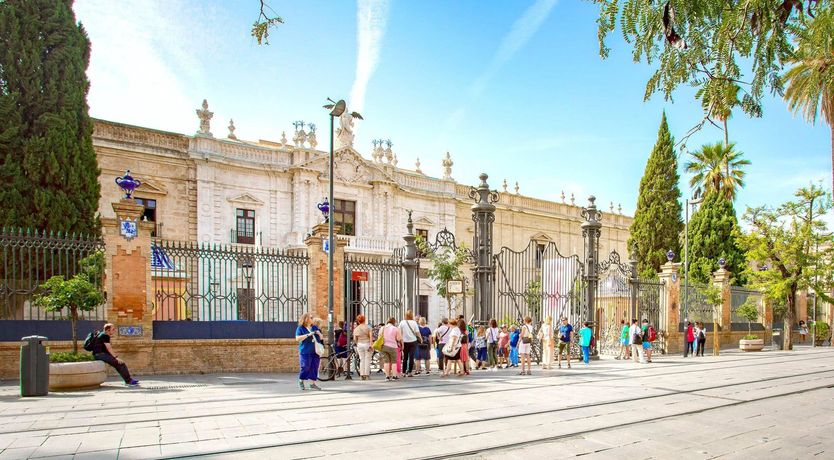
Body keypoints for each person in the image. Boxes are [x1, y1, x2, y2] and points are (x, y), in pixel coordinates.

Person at [295, 313, 323, 390]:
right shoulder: (300, 328)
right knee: (305, 367)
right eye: (311, 317)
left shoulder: (314, 327)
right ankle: (301, 381)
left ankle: (312, 384)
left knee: (315, 367)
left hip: (315, 351)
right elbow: (297, 338)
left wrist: (319, 333)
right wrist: (308, 335)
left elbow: (321, 338)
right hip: (305, 351)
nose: (312, 319)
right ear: (306, 319)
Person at [398, 311, 421, 377]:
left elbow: (399, 332)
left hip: (404, 342)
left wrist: (400, 339)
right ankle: (410, 372)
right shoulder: (414, 322)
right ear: (411, 315)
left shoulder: (402, 322)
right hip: (413, 341)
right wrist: (421, 338)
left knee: (405, 357)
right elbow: (417, 332)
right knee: (411, 357)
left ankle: (404, 372)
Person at [380, 317, 402, 381]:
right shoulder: (396, 329)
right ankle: (394, 376)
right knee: (394, 362)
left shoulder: (382, 328)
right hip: (393, 346)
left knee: (386, 362)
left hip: (384, 346)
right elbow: (398, 339)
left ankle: (387, 376)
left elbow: (379, 336)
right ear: (394, 322)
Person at [353, 314, 373, 380]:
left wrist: (357, 343)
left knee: (362, 360)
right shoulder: (368, 327)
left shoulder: (356, 329)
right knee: (367, 359)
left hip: (360, 344)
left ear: (358, 321)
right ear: (364, 320)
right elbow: (371, 337)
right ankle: (367, 375)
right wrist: (371, 345)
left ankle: (362, 375)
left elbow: (355, 339)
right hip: (367, 343)